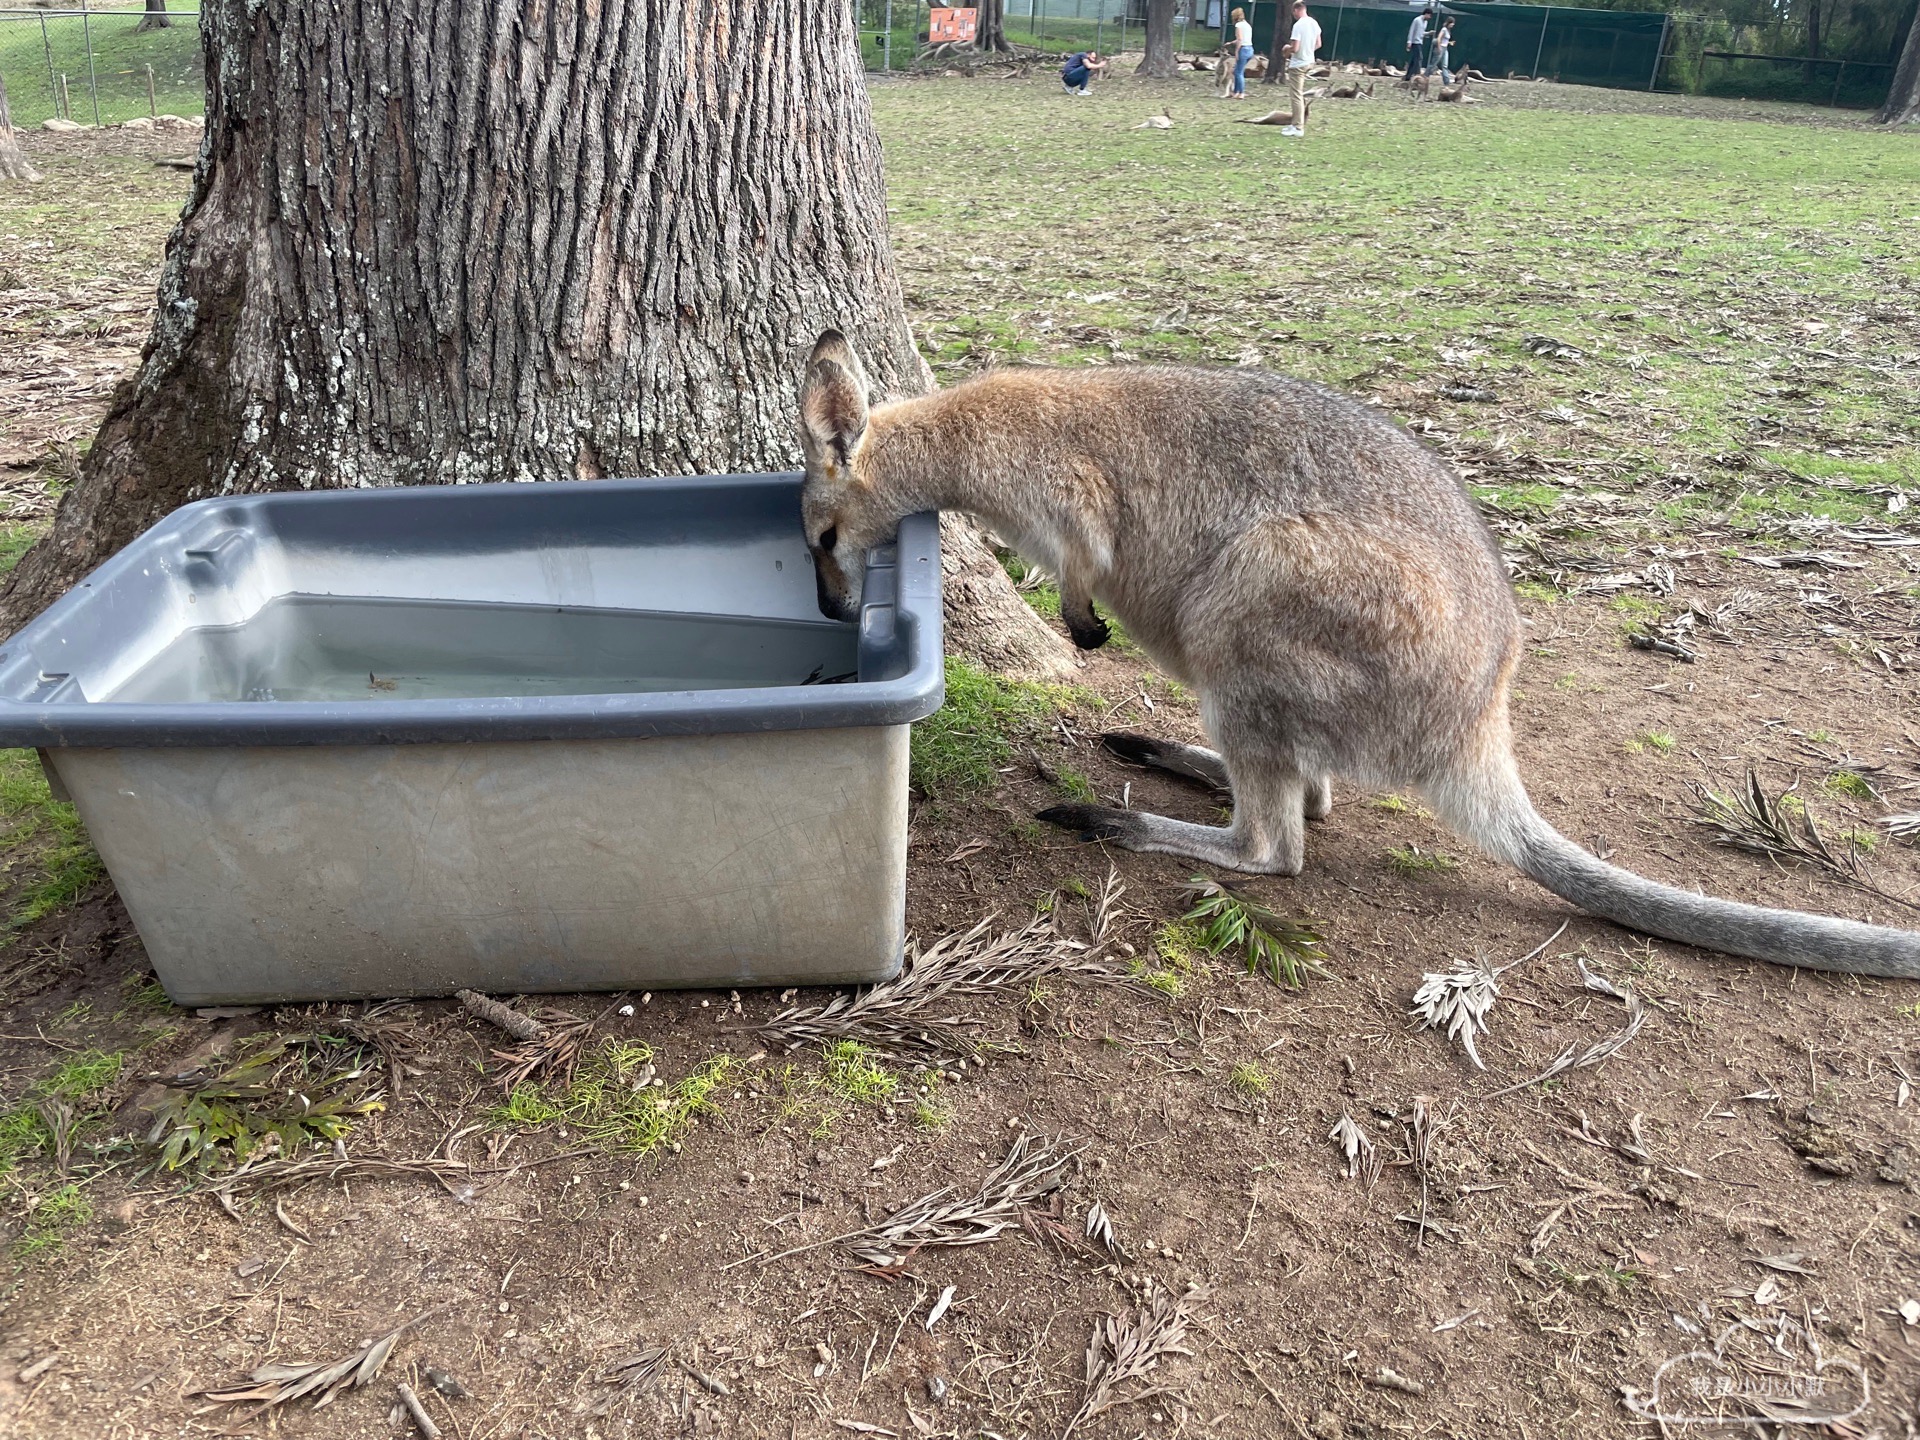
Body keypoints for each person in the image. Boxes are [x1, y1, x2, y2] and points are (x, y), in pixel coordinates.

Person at [1281, 0, 1321, 136]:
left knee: (1296, 95)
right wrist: (1308, 51)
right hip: (1309, 61)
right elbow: (1318, 43)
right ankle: (1295, 124)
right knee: (1298, 94)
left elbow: (1295, 47)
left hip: (1298, 64)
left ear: (1296, 10)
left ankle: (1298, 127)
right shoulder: (1314, 23)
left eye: (1293, 13)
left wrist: (1286, 50)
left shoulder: (1298, 25)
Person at [1229, 7, 1255, 98]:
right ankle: (1236, 92)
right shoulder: (1247, 25)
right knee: (1237, 71)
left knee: (1238, 72)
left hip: (1243, 50)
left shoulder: (1238, 25)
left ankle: (1241, 92)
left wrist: (1236, 51)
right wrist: (1231, 42)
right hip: (1250, 49)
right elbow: (1244, 38)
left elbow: (1240, 39)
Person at [1406, 6, 1433, 85]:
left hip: (1420, 42)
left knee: (1414, 60)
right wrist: (1409, 41)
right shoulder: (1417, 20)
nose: (1430, 17)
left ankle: (1408, 76)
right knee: (1419, 58)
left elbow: (1421, 33)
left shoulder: (1425, 22)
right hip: (1415, 42)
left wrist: (1428, 33)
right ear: (1426, 14)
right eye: (1429, 15)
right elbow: (1412, 31)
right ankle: (1418, 76)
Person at [1426, 16, 1456, 85]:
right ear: (1449, 23)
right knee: (1433, 64)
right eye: (1452, 23)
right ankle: (1425, 76)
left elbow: (1445, 41)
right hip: (1440, 48)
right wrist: (1439, 48)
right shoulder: (1444, 29)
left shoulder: (1448, 30)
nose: (1453, 25)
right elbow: (1439, 39)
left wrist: (1449, 43)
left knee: (1445, 65)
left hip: (1445, 48)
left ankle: (1446, 81)